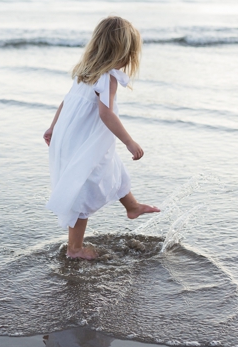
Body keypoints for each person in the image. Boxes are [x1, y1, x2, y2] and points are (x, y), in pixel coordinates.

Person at [43, 16, 159, 260]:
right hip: (85, 142)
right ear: (123, 51)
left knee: (113, 168)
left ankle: (132, 207)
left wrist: (52, 128)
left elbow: (66, 102)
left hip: (74, 137)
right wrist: (129, 141)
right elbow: (106, 114)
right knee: (83, 187)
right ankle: (75, 249)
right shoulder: (108, 78)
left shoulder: (84, 72)